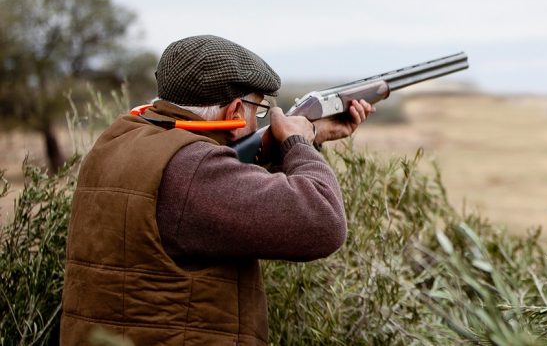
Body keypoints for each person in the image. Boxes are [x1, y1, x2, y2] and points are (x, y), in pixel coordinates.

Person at [60, 34, 374, 345]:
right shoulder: (195, 167)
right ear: (236, 111)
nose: (258, 120)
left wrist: (314, 133)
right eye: (258, 110)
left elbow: (238, 188)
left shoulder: (119, 141)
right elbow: (323, 221)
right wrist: (297, 140)